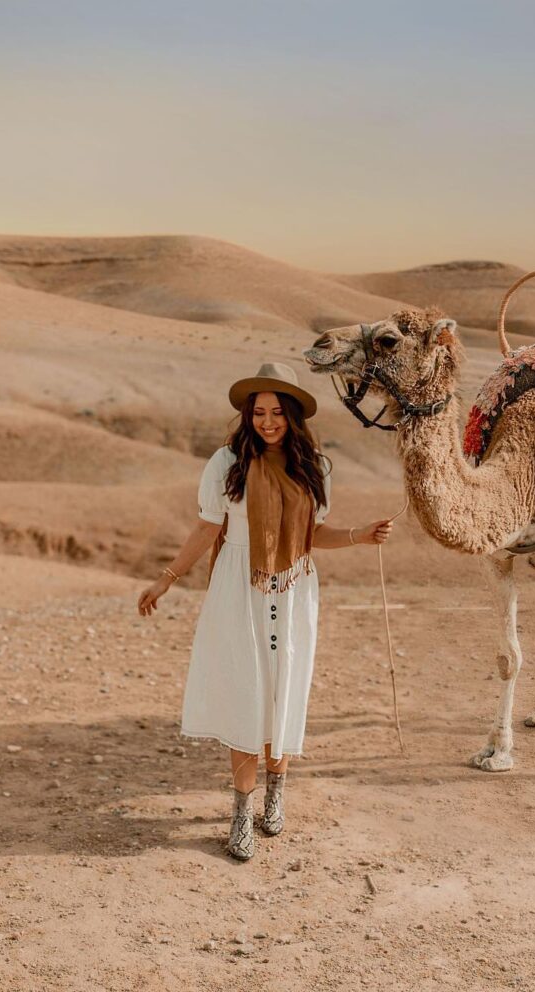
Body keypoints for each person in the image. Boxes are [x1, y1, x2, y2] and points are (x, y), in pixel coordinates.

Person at [136, 362, 393, 861]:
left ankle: (276, 793)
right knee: (246, 694)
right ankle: (240, 812)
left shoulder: (314, 466)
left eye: (277, 412)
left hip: (293, 589)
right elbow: (208, 528)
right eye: (259, 412)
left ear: (293, 416)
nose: (268, 421)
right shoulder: (226, 463)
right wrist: (166, 579)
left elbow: (311, 536)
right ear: (247, 415)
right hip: (240, 587)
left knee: (283, 689)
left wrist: (360, 535)